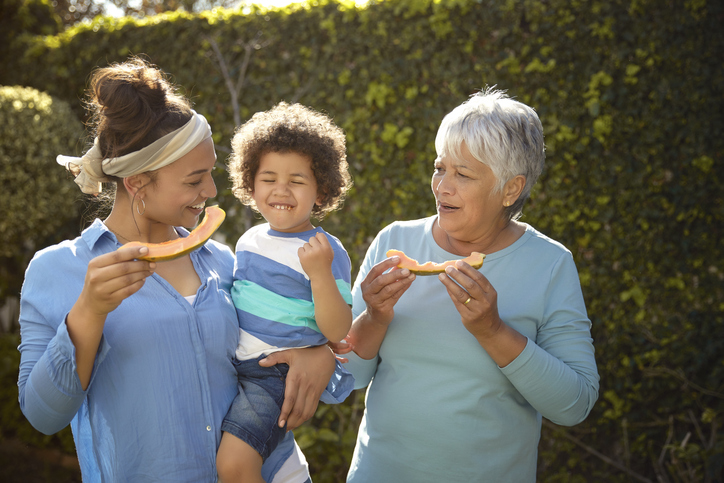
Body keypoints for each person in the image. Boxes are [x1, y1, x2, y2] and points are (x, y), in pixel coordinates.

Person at [17, 58, 340, 483]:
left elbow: (287, 336)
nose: (210, 191)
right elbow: (42, 416)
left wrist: (318, 356)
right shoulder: (58, 270)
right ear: (137, 184)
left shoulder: (226, 262)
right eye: (194, 180)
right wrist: (89, 312)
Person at [339, 88, 600, 482]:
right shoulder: (394, 242)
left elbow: (573, 404)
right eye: (439, 167)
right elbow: (346, 379)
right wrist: (374, 318)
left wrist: (492, 331)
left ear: (510, 189)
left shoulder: (550, 264)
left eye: (463, 174)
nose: (442, 187)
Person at [216, 102, 355, 483]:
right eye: (268, 178)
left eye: (297, 180)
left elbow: (338, 330)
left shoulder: (325, 250)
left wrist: (320, 275)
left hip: (275, 376)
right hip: (233, 371)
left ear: (321, 190)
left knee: (233, 464)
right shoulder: (248, 241)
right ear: (250, 182)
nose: (281, 190)